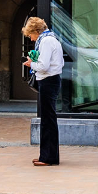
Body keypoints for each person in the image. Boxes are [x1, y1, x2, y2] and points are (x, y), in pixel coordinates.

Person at [23, 16, 63, 166]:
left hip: (48, 81)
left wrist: (31, 64)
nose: (31, 39)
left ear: (35, 31)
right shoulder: (51, 39)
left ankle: (48, 157)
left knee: (48, 120)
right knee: (48, 119)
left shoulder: (46, 42)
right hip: (51, 80)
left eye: (30, 35)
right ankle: (46, 155)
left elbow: (43, 66)